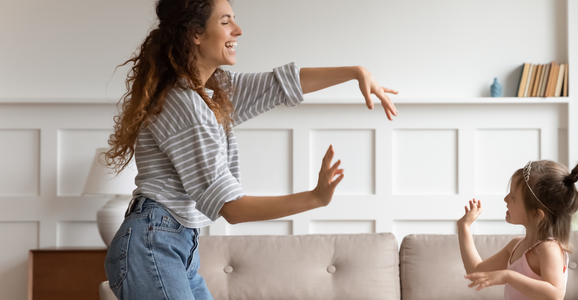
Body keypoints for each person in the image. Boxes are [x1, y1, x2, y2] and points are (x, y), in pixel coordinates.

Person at [101, 0, 398, 299]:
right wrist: (315, 198)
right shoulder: (185, 104)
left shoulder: (212, 92)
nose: (238, 30)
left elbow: (278, 85)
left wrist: (356, 72)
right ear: (196, 33)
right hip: (154, 241)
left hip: (174, 241)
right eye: (226, 21)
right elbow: (232, 208)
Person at [457, 160, 578, 300]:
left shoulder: (549, 248)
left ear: (536, 214)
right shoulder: (516, 246)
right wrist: (464, 227)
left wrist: (508, 276)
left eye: (513, 197)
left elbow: (555, 294)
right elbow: (476, 271)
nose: (505, 199)